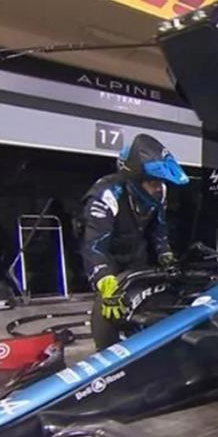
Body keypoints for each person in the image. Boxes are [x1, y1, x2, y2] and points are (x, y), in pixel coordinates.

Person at [81, 133, 189, 349]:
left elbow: (159, 229)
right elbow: (94, 246)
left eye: (161, 182)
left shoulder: (160, 192)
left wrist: (165, 254)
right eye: (153, 182)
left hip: (137, 254)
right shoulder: (105, 194)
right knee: (111, 309)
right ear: (136, 180)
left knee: (147, 302)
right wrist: (104, 279)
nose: (158, 187)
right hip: (109, 256)